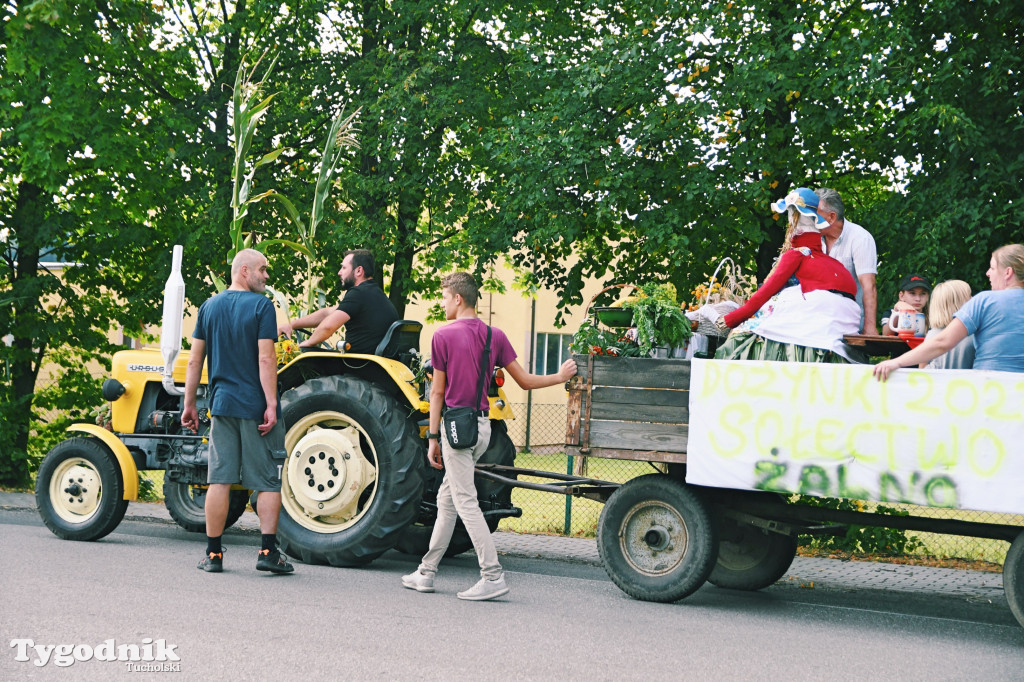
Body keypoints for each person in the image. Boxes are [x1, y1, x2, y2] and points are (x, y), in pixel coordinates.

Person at [402, 272, 577, 601]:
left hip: (456, 430)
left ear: (458, 298)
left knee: (464, 503)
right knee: (447, 501)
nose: (441, 304)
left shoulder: (442, 337)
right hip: (482, 428)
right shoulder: (494, 335)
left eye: (443, 298)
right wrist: (559, 376)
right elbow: (524, 381)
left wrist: (434, 436)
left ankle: (492, 575)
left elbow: (437, 392)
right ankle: (426, 572)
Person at [182, 249, 294, 574]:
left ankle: (213, 555)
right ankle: (268, 553)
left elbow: (194, 360)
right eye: (263, 270)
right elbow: (266, 359)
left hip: (221, 406)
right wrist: (271, 403)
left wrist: (190, 403)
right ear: (244, 270)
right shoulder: (261, 306)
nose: (267, 276)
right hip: (255, 408)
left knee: (220, 480)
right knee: (269, 482)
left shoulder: (209, 307)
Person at [714, 188, 861, 363]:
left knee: (743, 335)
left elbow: (764, 293)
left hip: (813, 322)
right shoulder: (835, 265)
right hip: (842, 325)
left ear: (794, 218)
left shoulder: (795, 254)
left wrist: (731, 319)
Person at [874, 244, 1024, 379]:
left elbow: (942, 342)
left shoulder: (985, 301)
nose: (987, 273)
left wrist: (896, 362)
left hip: (990, 389)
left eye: (992, 268)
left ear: (1008, 272)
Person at [277, 249, 399, 354]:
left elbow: (328, 327)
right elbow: (327, 313)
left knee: (304, 354)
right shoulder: (374, 294)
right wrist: (291, 325)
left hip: (357, 366)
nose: (339, 272)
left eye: (344, 267)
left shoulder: (358, 293)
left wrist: (306, 343)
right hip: (372, 365)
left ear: (358, 271)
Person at [815, 188, 879, 334]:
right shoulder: (812, 238)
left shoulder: (860, 238)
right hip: (817, 322)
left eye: (815, 214)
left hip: (850, 326)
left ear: (831, 217)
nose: (809, 218)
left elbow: (869, 286)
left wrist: (869, 327)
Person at [922, 280, 974, 370]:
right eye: (969, 296)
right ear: (959, 303)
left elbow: (922, 368)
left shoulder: (931, 334)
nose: (973, 299)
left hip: (936, 382)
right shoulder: (972, 335)